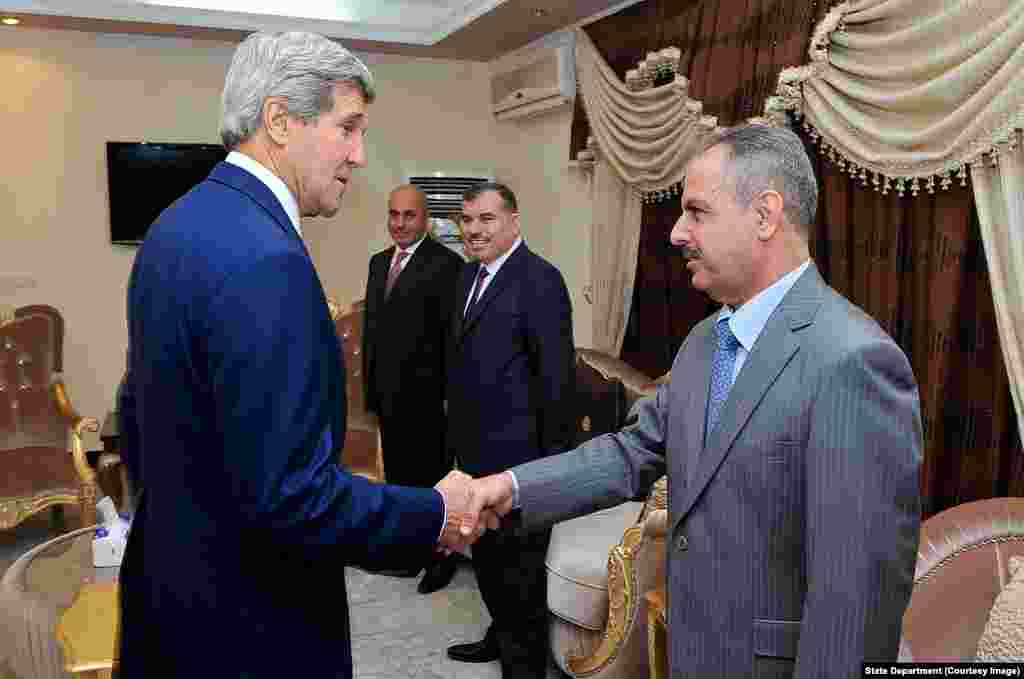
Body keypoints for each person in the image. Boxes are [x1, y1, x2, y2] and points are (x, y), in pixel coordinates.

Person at [466, 125, 923, 678]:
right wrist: (510, 487)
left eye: (696, 212)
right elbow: (632, 451)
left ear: (765, 215)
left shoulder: (853, 359)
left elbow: (856, 600)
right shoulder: (706, 340)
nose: (677, 232)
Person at [116, 31, 480, 679]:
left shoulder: (175, 224)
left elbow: (139, 420)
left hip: (172, 599)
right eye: (348, 128)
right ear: (280, 120)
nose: (359, 155)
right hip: (249, 627)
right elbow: (292, 498)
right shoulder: (266, 258)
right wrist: (435, 514)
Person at [443, 182, 576, 678]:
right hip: (475, 457)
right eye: (467, 220)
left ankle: (523, 665)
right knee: (489, 562)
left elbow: (556, 384)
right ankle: (499, 636)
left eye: (486, 219)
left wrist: (551, 476)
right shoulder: (467, 276)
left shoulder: (541, 280)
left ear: (514, 221)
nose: (474, 230)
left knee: (520, 576)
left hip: (522, 465)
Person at [362, 184, 464, 593]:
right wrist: (371, 391)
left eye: (409, 215)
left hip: (430, 402)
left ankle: (442, 559)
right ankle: (408, 555)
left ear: (425, 219)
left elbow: (453, 340)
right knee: (400, 482)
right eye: (394, 214)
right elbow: (372, 333)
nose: (400, 223)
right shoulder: (377, 263)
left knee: (433, 486)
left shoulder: (448, 265)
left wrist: (451, 399)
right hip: (389, 398)